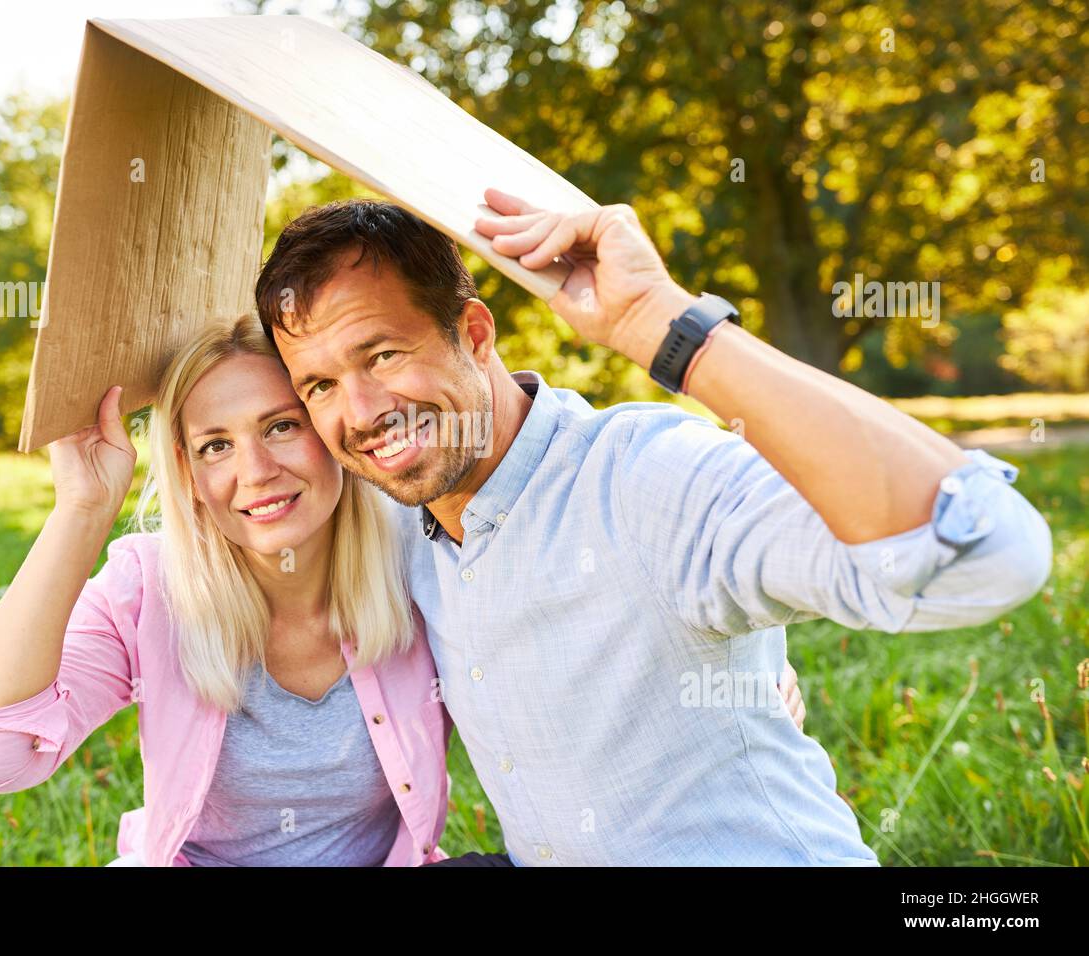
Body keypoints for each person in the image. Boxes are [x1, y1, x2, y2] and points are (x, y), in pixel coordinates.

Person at [253, 192, 1053, 866]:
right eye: (319, 385)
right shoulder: (390, 533)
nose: (359, 413)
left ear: (474, 333)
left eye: (384, 355)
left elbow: (989, 555)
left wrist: (661, 323)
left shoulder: (645, 478)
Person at [0, 314, 450, 866]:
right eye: (215, 445)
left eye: (282, 427)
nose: (256, 471)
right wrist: (82, 510)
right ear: (186, 472)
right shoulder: (150, 589)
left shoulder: (418, 558)